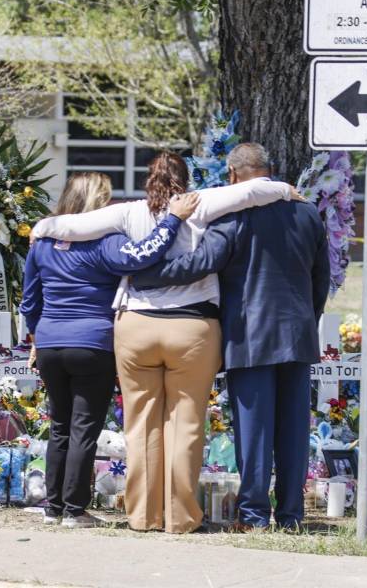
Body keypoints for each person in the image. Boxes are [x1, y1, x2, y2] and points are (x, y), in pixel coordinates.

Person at [30, 151, 299, 533]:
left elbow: (73, 226)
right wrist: (287, 190)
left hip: (136, 325)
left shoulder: (126, 214)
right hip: (191, 327)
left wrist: (43, 227)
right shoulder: (200, 203)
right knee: (186, 425)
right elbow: (251, 191)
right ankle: (181, 517)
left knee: (140, 426)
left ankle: (142, 515)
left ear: (146, 180)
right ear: (186, 180)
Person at [133, 143, 330, 531]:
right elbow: (321, 276)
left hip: (250, 334)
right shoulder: (308, 213)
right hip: (297, 333)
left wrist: (146, 275)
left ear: (233, 174)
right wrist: (310, 317)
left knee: (254, 433)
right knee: (292, 431)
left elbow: (202, 263)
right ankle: (291, 515)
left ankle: (255, 515)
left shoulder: (235, 213)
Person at [20, 172, 199, 529]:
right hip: (92, 342)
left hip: (52, 343)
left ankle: (52, 506)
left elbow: (29, 300)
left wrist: (38, 337)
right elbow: (144, 256)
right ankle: (75, 509)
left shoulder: (41, 244)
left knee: (59, 425)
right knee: (84, 427)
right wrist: (173, 221)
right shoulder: (106, 242)